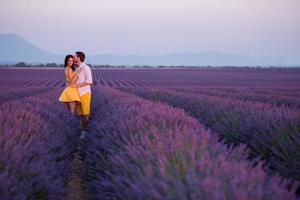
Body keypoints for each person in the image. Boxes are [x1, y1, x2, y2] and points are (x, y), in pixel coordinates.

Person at [70, 51, 93, 139]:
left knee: (85, 114)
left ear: (79, 58)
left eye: (75, 56)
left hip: (85, 93)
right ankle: (82, 132)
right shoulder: (76, 68)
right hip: (77, 94)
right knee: (79, 114)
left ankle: (86, 133)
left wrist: (78, 85)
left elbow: (89, 81)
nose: (73, 57)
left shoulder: (86, 68)